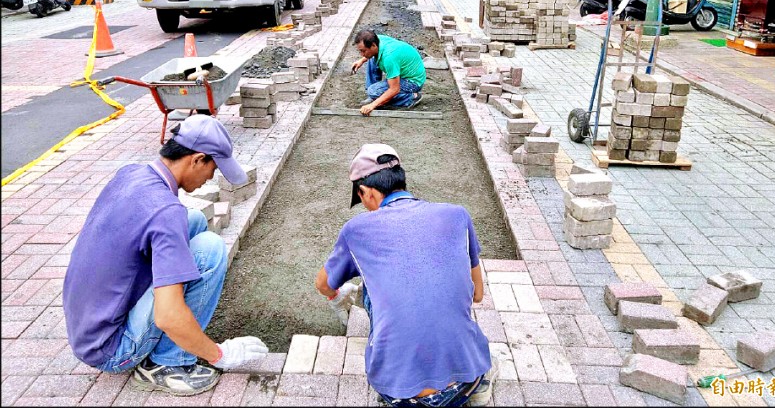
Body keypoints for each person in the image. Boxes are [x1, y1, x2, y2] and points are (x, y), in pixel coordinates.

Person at [63, 115, 269, 396]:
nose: (211, 177)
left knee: (193, 219)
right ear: (197, 159)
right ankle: (168, 363)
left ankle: (168, 349)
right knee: (209, 250)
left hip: (88, 325)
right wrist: (219, 354)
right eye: (214, 168)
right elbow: (168, 317)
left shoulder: (132, 173)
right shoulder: (164, 212)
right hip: (110, 348)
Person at [315, 143, 496, 407]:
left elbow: (322, 285)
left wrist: (335, 294)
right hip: (464, 381)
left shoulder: (357, 230)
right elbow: (478, 295)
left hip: (397, 392)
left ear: (365, 192)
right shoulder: (457, 215)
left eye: (362, 199)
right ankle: (480, 387)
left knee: (370, 288)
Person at [350, 29, 425, 114]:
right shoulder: (377, 39)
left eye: (363, 51)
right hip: (405, 68)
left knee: (374, 91)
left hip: (413, 81)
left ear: (373, 45)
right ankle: (373, 96)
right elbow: (371, 53)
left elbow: (394, 89)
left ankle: (411, 98)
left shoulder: (389, 57)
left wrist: (372, 105)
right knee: (372, 58)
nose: (362, 54)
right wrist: (362, 60)